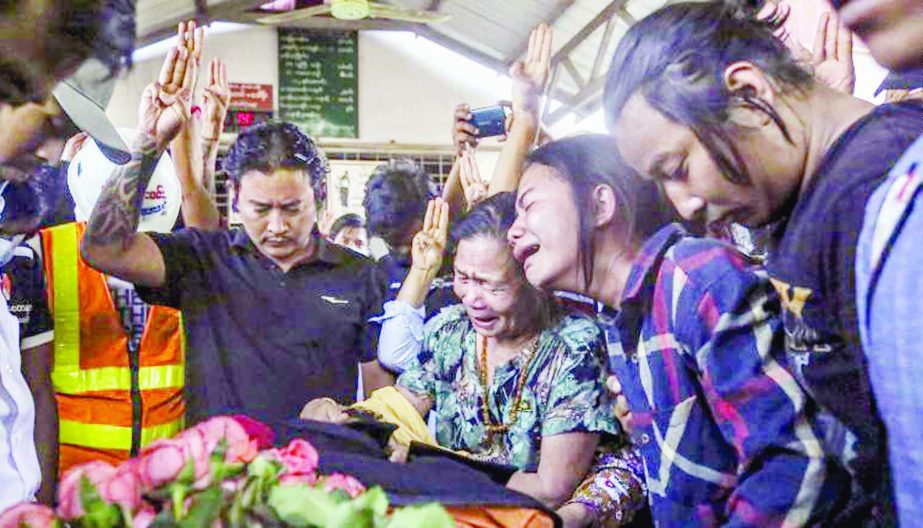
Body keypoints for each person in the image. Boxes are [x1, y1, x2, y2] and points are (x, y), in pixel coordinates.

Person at [603, 3, 923, 523]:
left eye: (678, 168)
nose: (682, 205)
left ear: (749, 94)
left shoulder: (878, 192)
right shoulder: (803, 205)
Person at [506, 134, 846, 526]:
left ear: (599, 204)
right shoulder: (622, 319)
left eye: (528, 205)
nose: (513, 231)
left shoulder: (696, 281)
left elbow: (794, 463)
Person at [79, 64, 392, 429]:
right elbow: (103, 248)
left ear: (319, 198)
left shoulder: (361, 275)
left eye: (292, 209)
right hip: (220, 479)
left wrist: (360, 422)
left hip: (320, 476)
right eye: (261, 209)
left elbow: (379, 393)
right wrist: (150, 142)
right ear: (236, 198)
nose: (277, 226)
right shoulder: (203, 258)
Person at [305, 194, 647, 528]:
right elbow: (402, 406)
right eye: (463, 278)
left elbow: (551, 489)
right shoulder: (451, 330)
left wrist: (432, 470)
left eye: (490, 285)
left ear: (532, 279)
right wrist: (349, 419)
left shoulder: (573, 348)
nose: (471, 298)